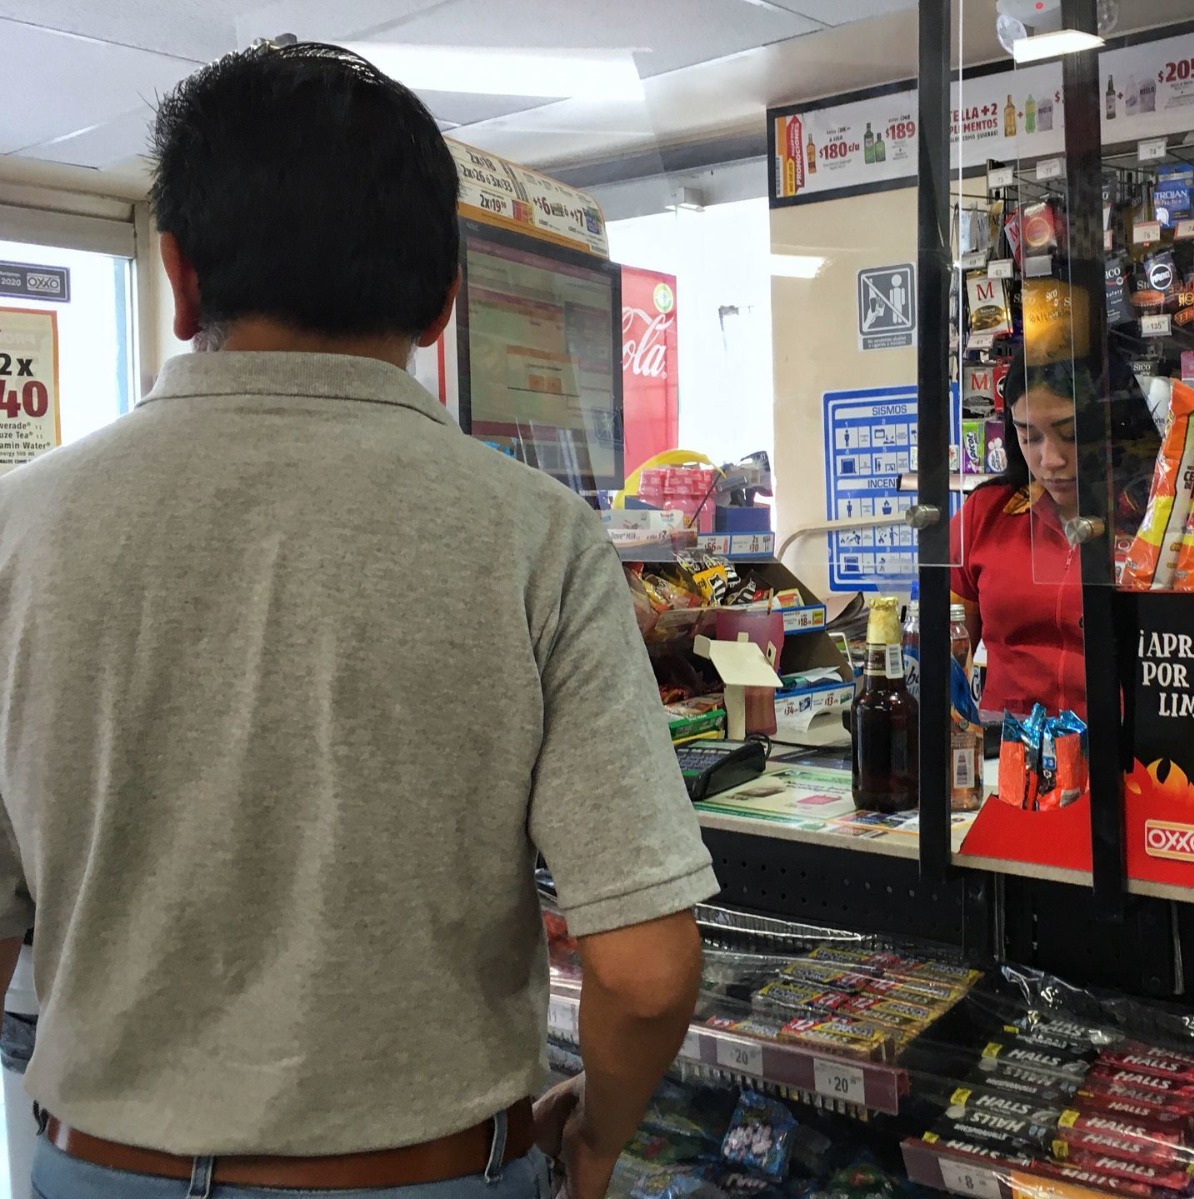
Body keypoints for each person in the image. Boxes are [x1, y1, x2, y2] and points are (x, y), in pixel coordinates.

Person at [0, 43, 718, 1199]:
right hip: (430, 1175)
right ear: (443, 301)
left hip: (97, 1167)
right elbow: (643, 968)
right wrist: (597, 1136)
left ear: (178, 278)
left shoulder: (17, 531)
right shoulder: (534, 536)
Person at [952, 361, 1087, 721]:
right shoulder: (985, 512)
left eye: (1072, 434)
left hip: (1122, 757)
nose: (1051, 460)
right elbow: (941, 656)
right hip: (1006, 753)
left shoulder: (1154, 518)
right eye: (1029, 437)